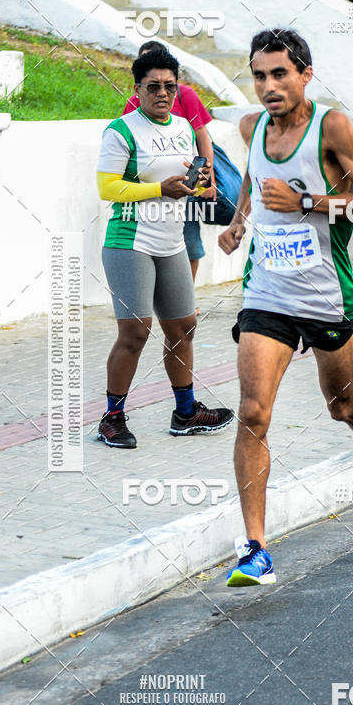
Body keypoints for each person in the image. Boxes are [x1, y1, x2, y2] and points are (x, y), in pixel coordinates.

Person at [218, 29, 353, 586]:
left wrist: (306, 202)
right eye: (259, 75)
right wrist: (240, 218)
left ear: (304, 74)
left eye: (279, 74)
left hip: (325, 297)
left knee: (342, 405)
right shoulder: (250, 127)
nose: (267, 86)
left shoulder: (331, 127)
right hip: (266, 293)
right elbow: (251, 172)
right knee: (253, 412)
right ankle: (255, 549)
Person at [96, 46, 234, 449]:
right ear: (136, 88)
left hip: (172, 242)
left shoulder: (183, 128)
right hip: (129, 241)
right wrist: (159, 188)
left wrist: (202, 184)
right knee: (135, 332)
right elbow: (108, 187)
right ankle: (112, 418)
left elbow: (190, 179)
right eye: (153, 86)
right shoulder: (120, 130)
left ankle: (186, 413)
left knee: (183, 328)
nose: (162, 93)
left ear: (178, 88)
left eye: (169, 86)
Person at [123, 40, 242, 287]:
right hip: (151, 189)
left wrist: (206, 180)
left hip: (186, 183)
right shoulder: (133, 106)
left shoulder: (185, 95)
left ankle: (185, 299)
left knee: (188, 241)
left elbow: (202, 137)